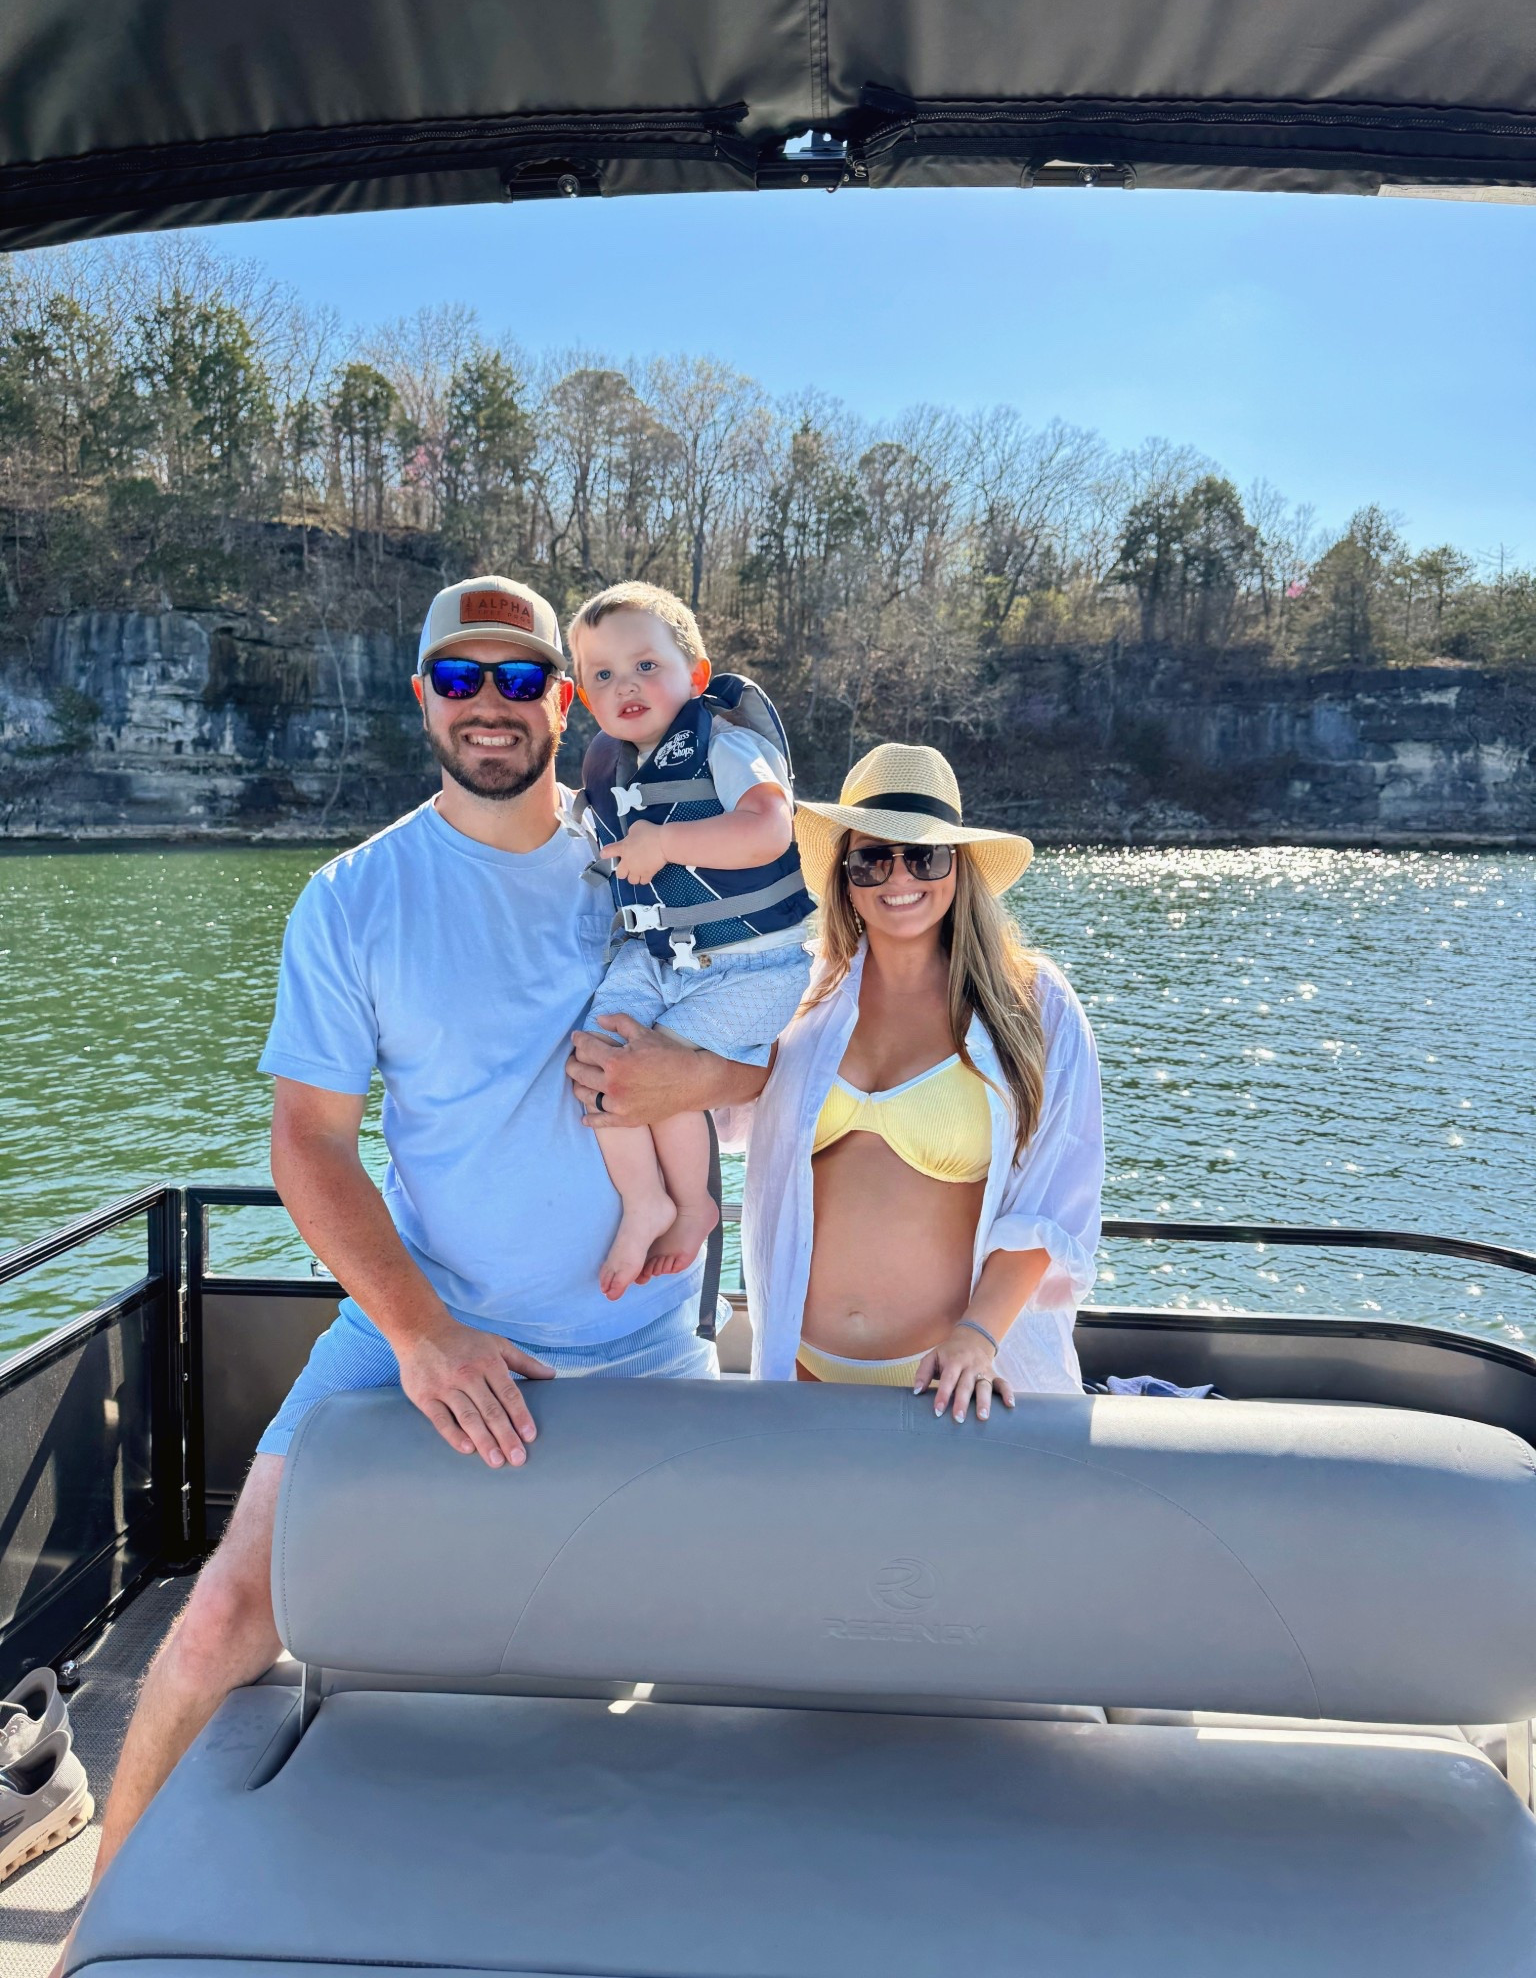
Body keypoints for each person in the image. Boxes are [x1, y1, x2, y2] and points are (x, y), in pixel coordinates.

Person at [80, 575, 766, 1898]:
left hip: (644, 1352)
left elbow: (761, 1057)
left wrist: (700, 1085)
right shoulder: (354, 898)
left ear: (567, 700)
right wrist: (425, 1334)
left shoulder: (658, 856)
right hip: (416, 1335)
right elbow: (310, 1142)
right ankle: (91, 1934)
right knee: (219, 1616)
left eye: (520, 677)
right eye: (462, 679)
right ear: (423, 700)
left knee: (760, 1660)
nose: (492, 705)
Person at [736, 742, 1104, 1422]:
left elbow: (1054, 1198)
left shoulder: (1035, 1004)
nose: (897, 878)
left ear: (959, 869)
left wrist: (978, 1336)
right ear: (845, 876)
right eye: (872, 859)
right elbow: (720, 1105)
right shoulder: (797, 994)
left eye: (925, 856)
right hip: (801, 1370)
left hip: (962, 1385)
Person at [568, 581, 815, 1297]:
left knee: (662, 1067)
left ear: (695, 676)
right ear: (587, 698)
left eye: (648, 665)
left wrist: (669, 841)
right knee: (593, 1054)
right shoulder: (616, 776)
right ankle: (647, 1200)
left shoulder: (726, 747)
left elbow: (770, 826)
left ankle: (692, 1202)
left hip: (752, 968)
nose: (628, 685)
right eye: (604, 675)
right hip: (661, 962)